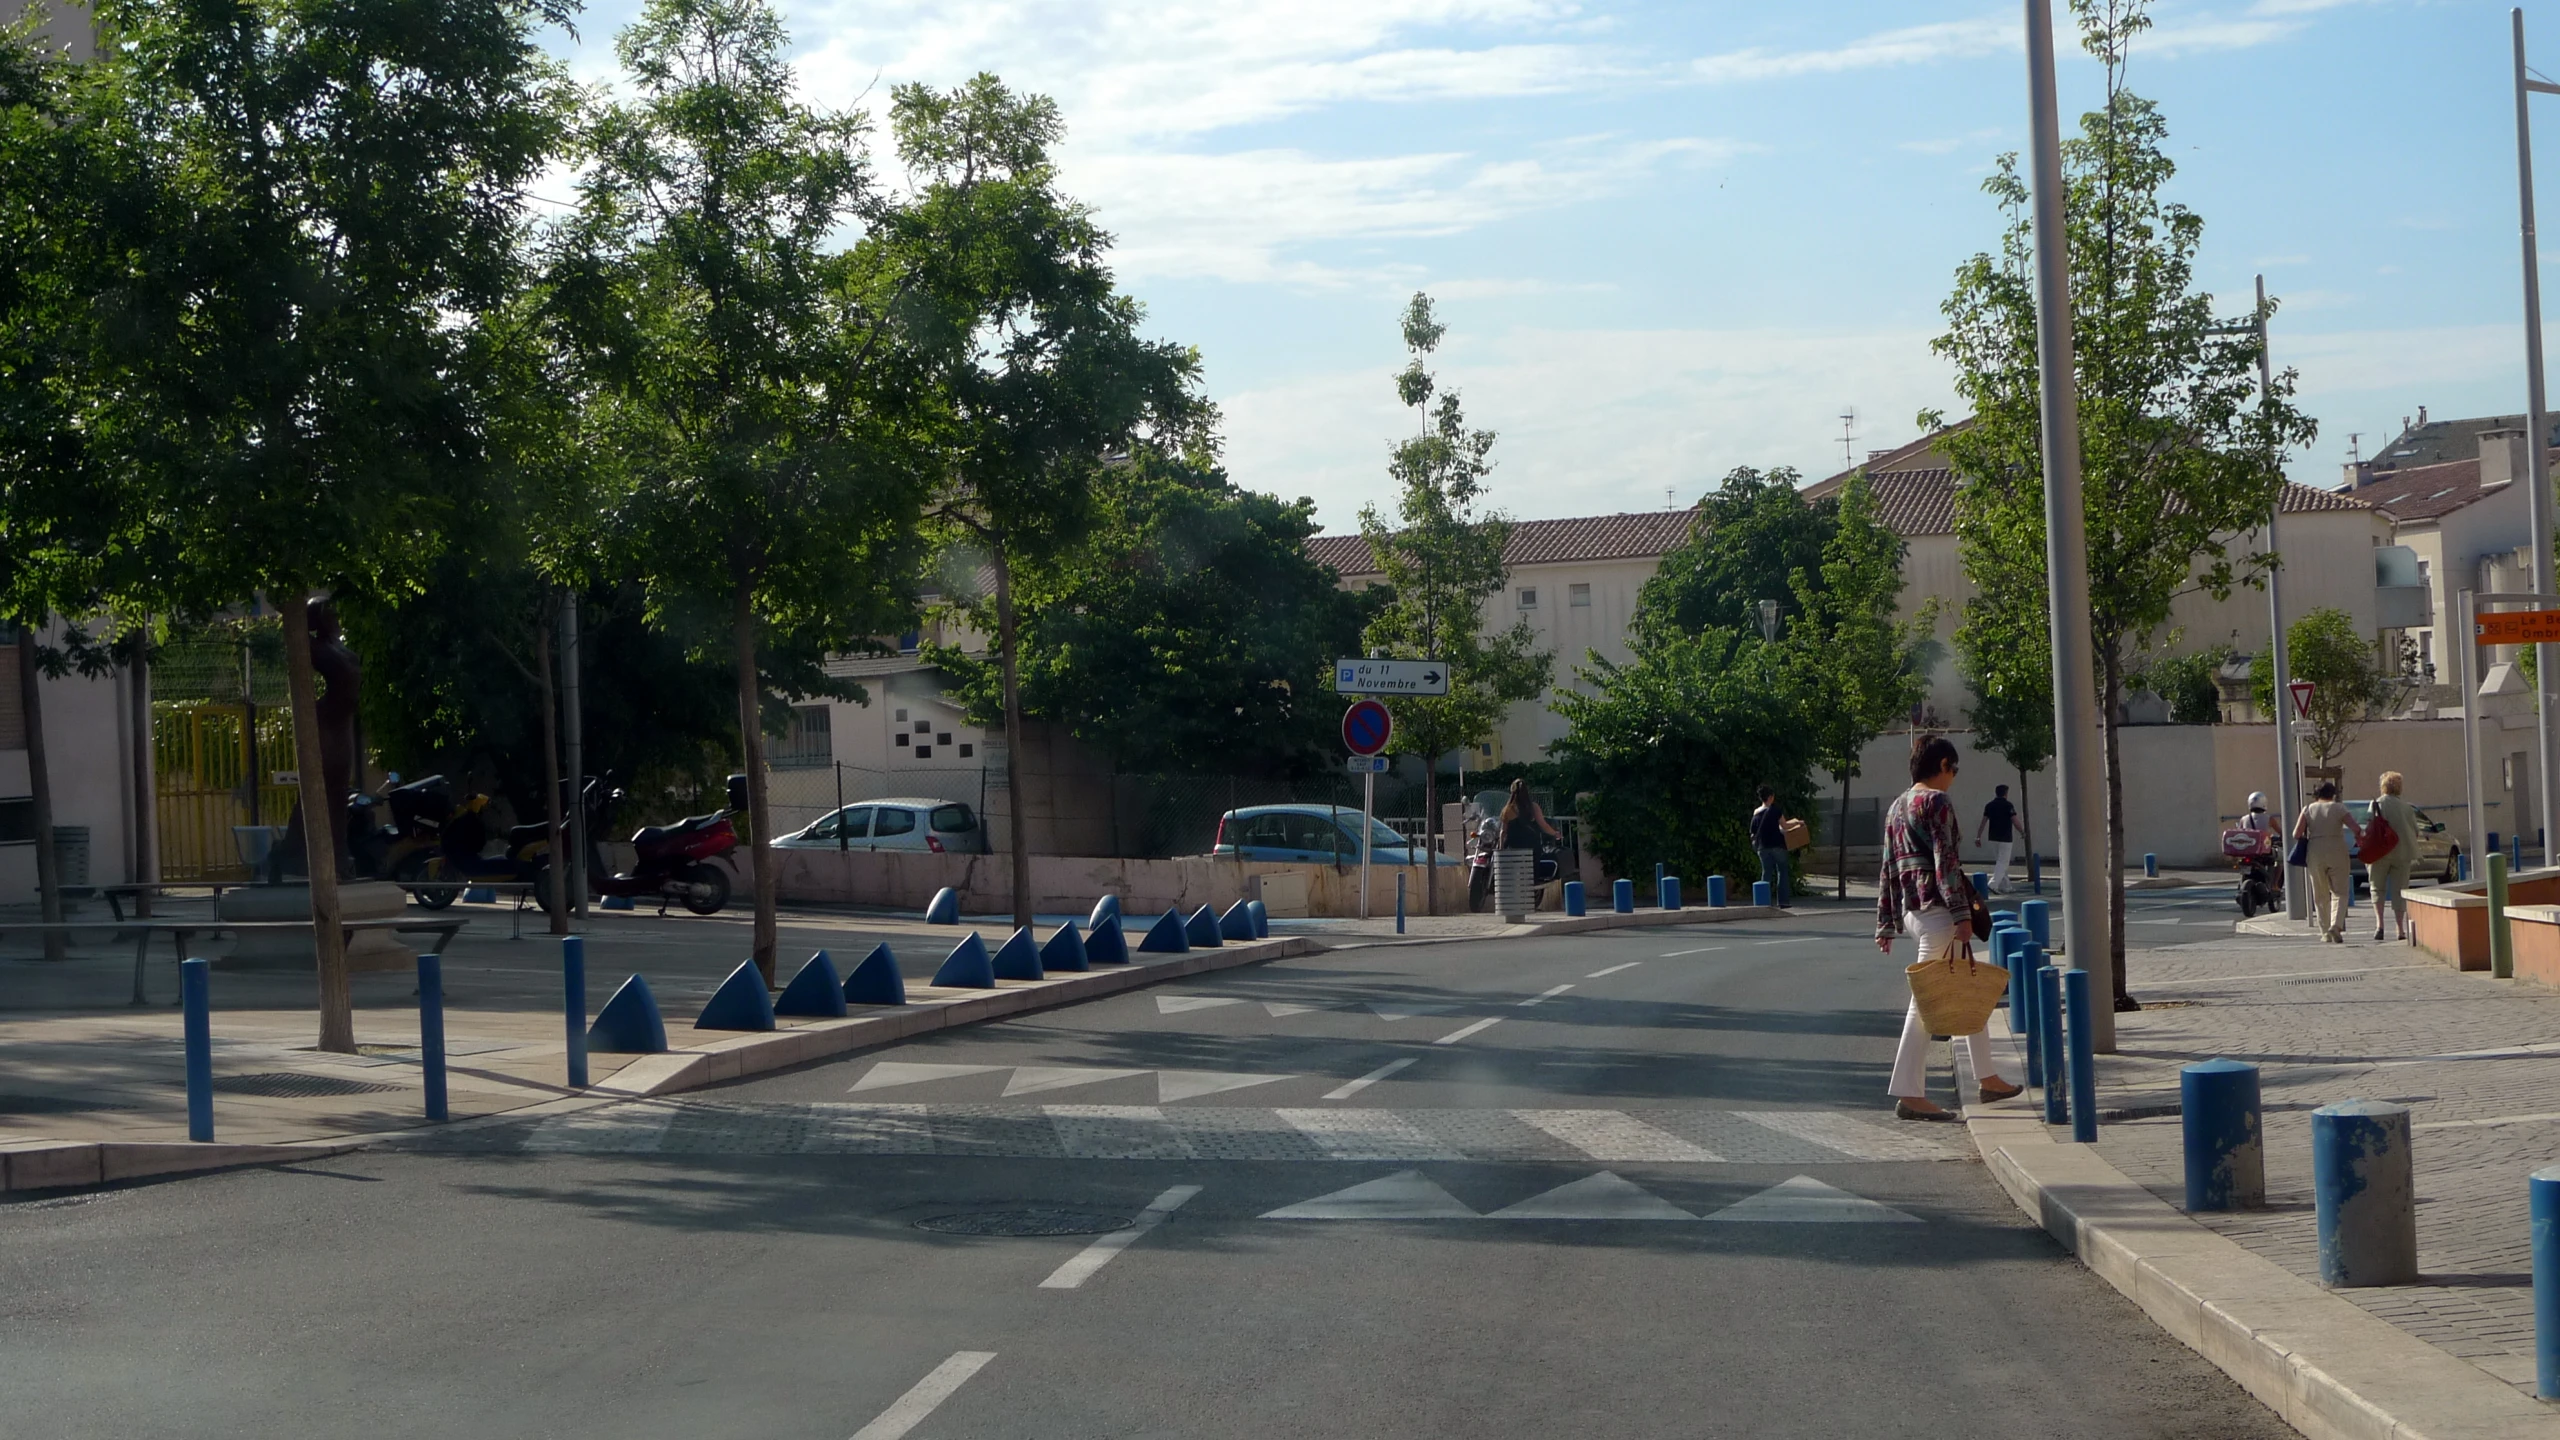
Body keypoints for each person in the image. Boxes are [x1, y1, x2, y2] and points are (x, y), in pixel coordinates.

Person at [1876, 735, 2021, 1121]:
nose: (1954, 777)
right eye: (1953, 769)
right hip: (1940, 912)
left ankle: (1988, 1077)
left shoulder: (1896, 806)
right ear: (1942, 765)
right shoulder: (1935, 801)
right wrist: (1960, 914)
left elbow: (1888, 867)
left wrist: (1886, 923)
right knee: (1928, 1002)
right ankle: (1909, 1092)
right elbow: (1945, 861)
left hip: (1913, 911)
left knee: (1964, 989)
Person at [2292, 781, 2364, 943]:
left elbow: (2296, 833)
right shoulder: (2339, 808)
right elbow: (2355, 828)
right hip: (2337, 849)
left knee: (2320, 894)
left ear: (2316, 794)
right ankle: (2336, 925)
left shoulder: (2308, 809)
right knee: (2340, 891)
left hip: (2315, 851)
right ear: (2333, 794)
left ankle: (2325, 932)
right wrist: (2359, 836)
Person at [1494, 779, 1561, 920]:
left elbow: (1503, 832)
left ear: (1512, 792)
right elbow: (1543, 825)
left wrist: (1501, 849)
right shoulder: (1533, 807)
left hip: (1513, 847)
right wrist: (1555, 833)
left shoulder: (1507, 810)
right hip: (1531, 847)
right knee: (1532, 870)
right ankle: (1532, 890)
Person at [2368, 771, 2421, 943]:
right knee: (2400, 890)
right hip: (2402, 852)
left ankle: (2380, 925)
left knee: (2377, 887)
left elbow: (2369, 826)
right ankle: (2400, 928)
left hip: (2379, 852)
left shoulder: (2376, 804)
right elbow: (2416, 831)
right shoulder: (2406, 807)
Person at [1749, 786, 1791, 908]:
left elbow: (1752, 831)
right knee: (1782, 872)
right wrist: (1798, 823)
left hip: (1762, 847)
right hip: (1777, 845)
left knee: (1766, 873)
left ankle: (1763, 901)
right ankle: (1783, 901)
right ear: (1771, 797)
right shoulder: (1775, 810)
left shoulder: (1756, 813)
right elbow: (1785, 825)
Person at [1976, 784, 2018, 894]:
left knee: (2000, 862)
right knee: (2003, 863)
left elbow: (1983, 822)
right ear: (2006, 793)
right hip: (2006, 838)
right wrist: (2022, 831)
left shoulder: (1989, 805)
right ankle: (1993, 884)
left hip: (1993, 838)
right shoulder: (2008, 805)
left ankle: (2006, 886)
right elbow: (2014, 820)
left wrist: (1978, 836)